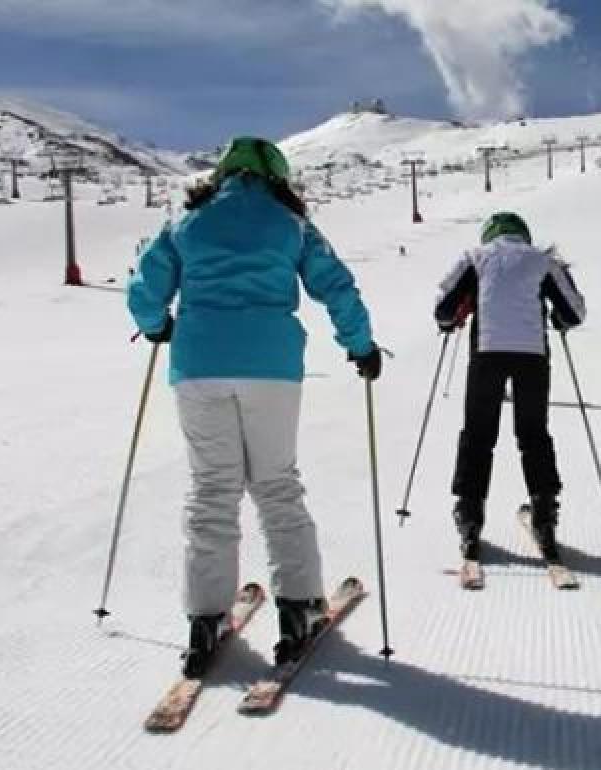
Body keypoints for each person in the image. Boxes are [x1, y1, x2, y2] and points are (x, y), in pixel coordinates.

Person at [127, 137, 381, 676]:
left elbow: (144, 290)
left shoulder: (186, 223)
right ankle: (299, 610)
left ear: (223, 174)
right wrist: (360, 345)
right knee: (275, 484)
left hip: (198, 366)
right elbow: (336, 287)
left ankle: (205, 620)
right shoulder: (292, 227)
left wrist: (158, 327)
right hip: (271, 368)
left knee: (212, 489)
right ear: (277, 178)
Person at [434, 212, 586, 564]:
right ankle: (545, 516)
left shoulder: (475, 257)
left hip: (487, 352)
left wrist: (453, 319)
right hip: (532, 356)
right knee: (534, 435)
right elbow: (574, 312)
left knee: (478, 434)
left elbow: (443, 308)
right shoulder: (543, 260)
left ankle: (470, 518)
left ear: (489, 235)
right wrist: (558, 320)